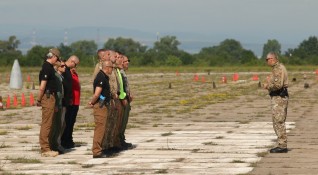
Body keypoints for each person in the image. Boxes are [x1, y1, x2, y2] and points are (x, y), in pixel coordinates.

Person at [36, 48, 60, 157]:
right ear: (53, 56)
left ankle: (47, 146)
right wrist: (39, 99)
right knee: (47, 123)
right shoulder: (46, 67)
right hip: (47, 96)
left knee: (49, 123)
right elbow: (42, 86)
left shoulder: (49, 67)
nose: (57, 60)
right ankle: (45, 149)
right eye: (57, 58)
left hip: (51, 97)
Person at [263, 52, 289, 153]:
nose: (266, 62)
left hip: (279, 97)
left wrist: (267, 86)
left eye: (267, 59)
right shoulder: (277, 68)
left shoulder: (278, 68)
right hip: (277, 97)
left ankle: (282, 145)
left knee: (279, 121)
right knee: (276, 121)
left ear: (272, 59)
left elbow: (278, 85)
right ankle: (281, 143)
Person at [88, 60, 113, 158]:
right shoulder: (101, 77)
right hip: (100, 106)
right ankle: (96, 151)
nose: (112, 70)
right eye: (112, 67)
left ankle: (99, 148)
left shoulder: (104, 76)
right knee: (100, 128)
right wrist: (92, 102)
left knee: (102, 128)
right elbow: (97, 93)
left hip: (104, 105)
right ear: (107, 67)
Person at [61, 55, 80, 149]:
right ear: (72, 62)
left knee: (71, 122)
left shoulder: (72, 72)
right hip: (70, 101)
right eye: (75, 65)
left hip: (75, 101)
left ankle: (69, 139)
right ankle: (65, 140)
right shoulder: (64, 70)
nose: (75, 67)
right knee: (67, 122)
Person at [49, 61, 66, 154]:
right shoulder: (55, 75)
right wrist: (55, 104)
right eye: (62, 65)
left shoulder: (60, 76)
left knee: (59, 125)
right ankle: (52, 145)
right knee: (55, 125)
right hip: (57, 103)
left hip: (60, 103)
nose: (64, 67)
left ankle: (55, 144)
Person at [119, 55, 133, 148]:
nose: (128, 63)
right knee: (121, 122)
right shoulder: (120, 72)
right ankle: (119, 140)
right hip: (122, 100)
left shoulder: (122, 72)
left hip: (126, 98)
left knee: (124, 122)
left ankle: (121, 139)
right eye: (126, 61)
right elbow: (120, 87)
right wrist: (123, 98)